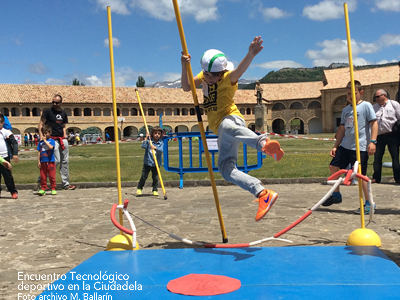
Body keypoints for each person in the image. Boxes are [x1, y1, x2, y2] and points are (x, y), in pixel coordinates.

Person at [181, 36, 284, 222]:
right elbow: (186, 87)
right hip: (221, 131)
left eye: (214, 75)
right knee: (226, 169)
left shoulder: (228, 78)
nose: (209, 78)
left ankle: (263, 143)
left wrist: (250, 54)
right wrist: (184, 65)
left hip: (232, 120)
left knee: (227, 126)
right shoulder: (203, 77)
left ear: (222, 73)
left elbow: (239, 71)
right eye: (207, 74)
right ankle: (262, 193)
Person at [323, 80, 378, 214]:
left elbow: (374, 124)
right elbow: (342, 129)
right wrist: (336, 146)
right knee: (333, 167)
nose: (351, 96)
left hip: (360, 147)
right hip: (345, 146)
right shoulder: (346, 110)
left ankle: (369, 203)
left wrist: (373, 141)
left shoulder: (366, 106)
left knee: (361, 176)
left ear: (361, 92)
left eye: (354, 93)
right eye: (348, 94)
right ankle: (336, 195)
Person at [38, 94, 76, 190]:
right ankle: (43, 179)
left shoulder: (63, 113)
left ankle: (65, 183)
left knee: (65, 161)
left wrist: (64, 137)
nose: (54, 104)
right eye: (53, 102)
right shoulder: (47, 112)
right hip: (52, 139)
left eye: (56, 102)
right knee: (55, 160)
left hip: (62, 139)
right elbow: (41, 124)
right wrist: (42, 136)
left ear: (61, 103)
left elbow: (63, 126)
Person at [371, 89, 400, 184]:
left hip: (392, 135)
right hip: (379, 136)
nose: (376, 99)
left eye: (378, 97)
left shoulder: (394, 104)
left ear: (384, 95)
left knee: (395, 157)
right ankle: (376, 178)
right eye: (375, 97)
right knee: (377, 157)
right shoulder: (374, 107)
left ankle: (398, 178)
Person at [136, 126, 164, 196]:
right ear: (152, 134)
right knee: (143, 177)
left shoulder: (161, 144)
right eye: (155, 133)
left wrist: (156, 148)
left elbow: (161, 151)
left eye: (159, 133)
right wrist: (146, 138)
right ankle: (139, 188)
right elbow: (143, 146)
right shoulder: (149, 142)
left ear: (160, 135)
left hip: (156, 164)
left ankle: (155, 190)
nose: (157, 135)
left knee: (155, 178)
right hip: (147, 163)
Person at [0, 114, 19, 199]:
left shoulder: (6, 132)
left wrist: (15, 154)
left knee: (7, 176)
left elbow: (14, 143)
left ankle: (13, 191)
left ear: (3, 122)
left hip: (5, 157)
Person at [37, 125, 57, 196]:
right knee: (43, 176)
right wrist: (38, 161)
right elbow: (39, 151)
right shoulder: (40, 142)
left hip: (50, 161)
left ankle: (53, 188)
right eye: (43, 133)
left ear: (50, 133)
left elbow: (51, 147)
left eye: (46, 133)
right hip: (43, 162)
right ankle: (43, 188)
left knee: (52, 176)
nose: (44, 135)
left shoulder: (52, 141)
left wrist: (45, 141)